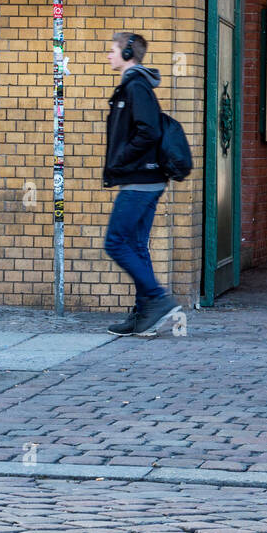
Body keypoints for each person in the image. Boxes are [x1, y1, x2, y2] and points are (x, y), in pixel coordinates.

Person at [103, 32, 179, 336]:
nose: (108, 56)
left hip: (140, 178)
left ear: (127, 54)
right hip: (143, 177)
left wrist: (122, 158)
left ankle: (157, 299)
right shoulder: (134, 86)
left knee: (115, 242)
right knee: (135, 245)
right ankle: (143, 316)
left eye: (112, 50)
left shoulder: (136, 86)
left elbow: (148, 131)